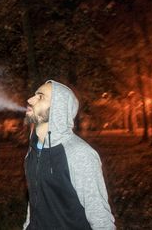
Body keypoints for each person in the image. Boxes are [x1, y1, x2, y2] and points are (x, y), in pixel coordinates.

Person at [23, 80, 115, 230]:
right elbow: (35, 200)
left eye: (41, 97)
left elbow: (99, 216)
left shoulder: (80, 153)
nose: (30, 100)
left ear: (59, 108)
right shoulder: (32, 150)